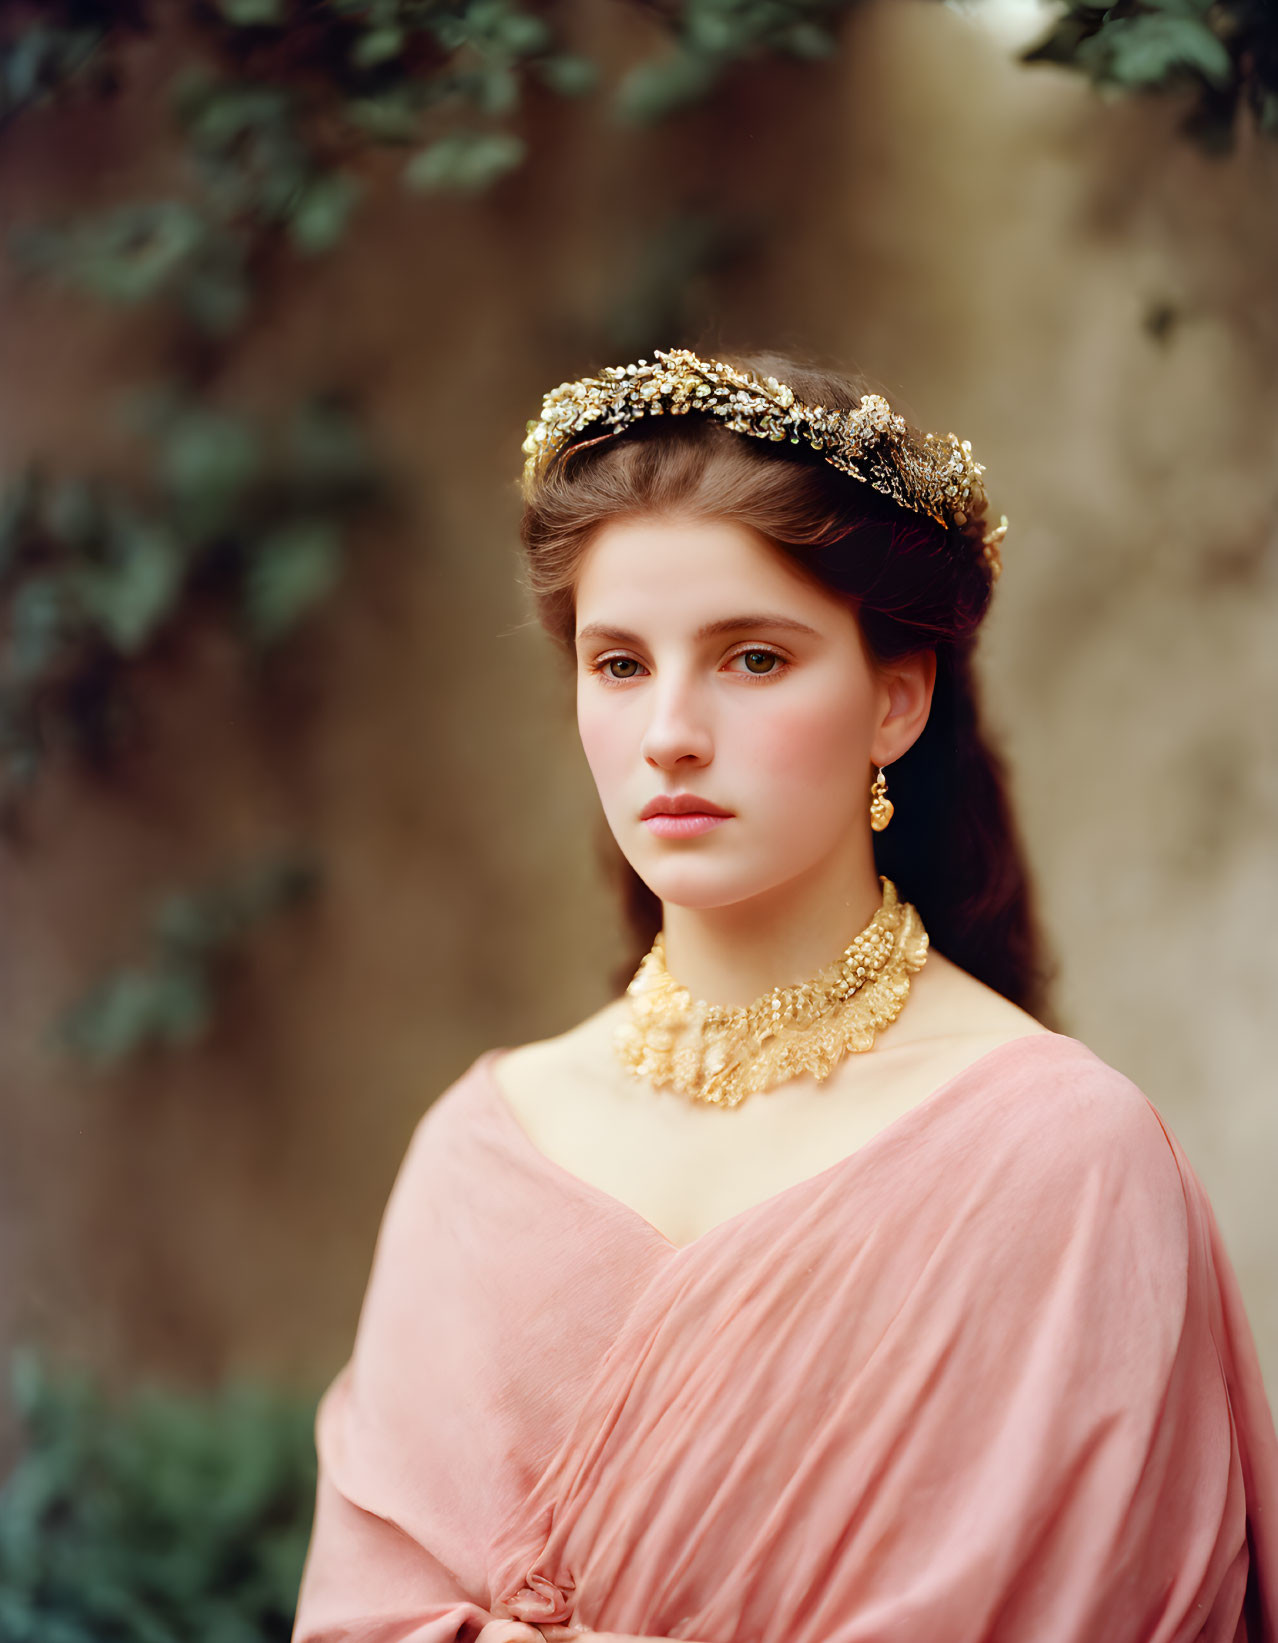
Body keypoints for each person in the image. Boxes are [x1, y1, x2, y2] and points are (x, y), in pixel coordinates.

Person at [291, 346, 1278, 1643]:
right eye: (619, 663)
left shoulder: (1062, 1161)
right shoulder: (478, 1155)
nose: (669, 735)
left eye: (752, 659)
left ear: (894, 700)